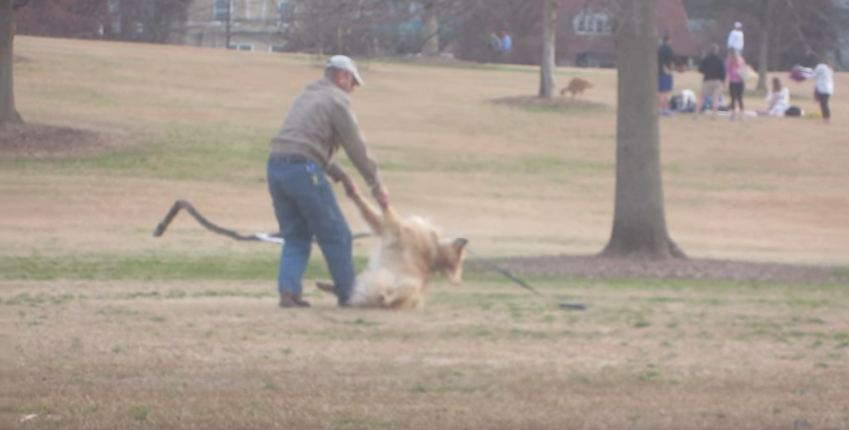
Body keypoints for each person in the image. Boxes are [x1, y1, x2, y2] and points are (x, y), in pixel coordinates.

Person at [267, 55, 389, 308]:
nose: (353, 88)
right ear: (342, 76)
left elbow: (301, 143)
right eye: (353, 81)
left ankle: (288, 292)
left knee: (296, 236)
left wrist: (340, 175)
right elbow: (356, 146)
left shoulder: (307, 95)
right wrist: (376, 183)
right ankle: (349, 294)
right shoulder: (336, 100)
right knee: (337, 234)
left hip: (276, 168)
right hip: (304, 171)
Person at [799, 56, 834, 123]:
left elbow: (813, 75)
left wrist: (803, 74)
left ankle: (827, 119)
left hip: (823, 88)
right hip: (829, 88)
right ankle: (826, 118)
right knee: (824, 104)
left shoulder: (820, 66)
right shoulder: (829, 68)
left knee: (824, 104)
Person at [694, 43, 726, 118]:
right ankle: (714, 114)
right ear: (717, 51)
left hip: (707, 80)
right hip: (717, 81)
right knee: (716, 98)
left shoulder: (706, 58)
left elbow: (700, 69)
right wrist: (723, 81)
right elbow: (723, 72)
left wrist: (706, 71)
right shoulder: (720, 60)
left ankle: (696, 113)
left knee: (701, 97)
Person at [725, 50, 747, 120]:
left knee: (733, 98)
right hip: (740, 82)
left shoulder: (729, 61)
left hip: (733, 82)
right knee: (739, 98)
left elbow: (727, 71)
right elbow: (744, 70)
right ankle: (742, 114)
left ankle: (733, 115)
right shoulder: (741, 60)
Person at [657, 33, 676, 116]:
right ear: (669, 40)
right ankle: (664, 109)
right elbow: (674, 57)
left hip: (658, 72)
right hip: (666, 71)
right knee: (666, 92)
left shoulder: (658, 49)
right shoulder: (668, 48)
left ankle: (659, 108)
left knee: (660, 91)